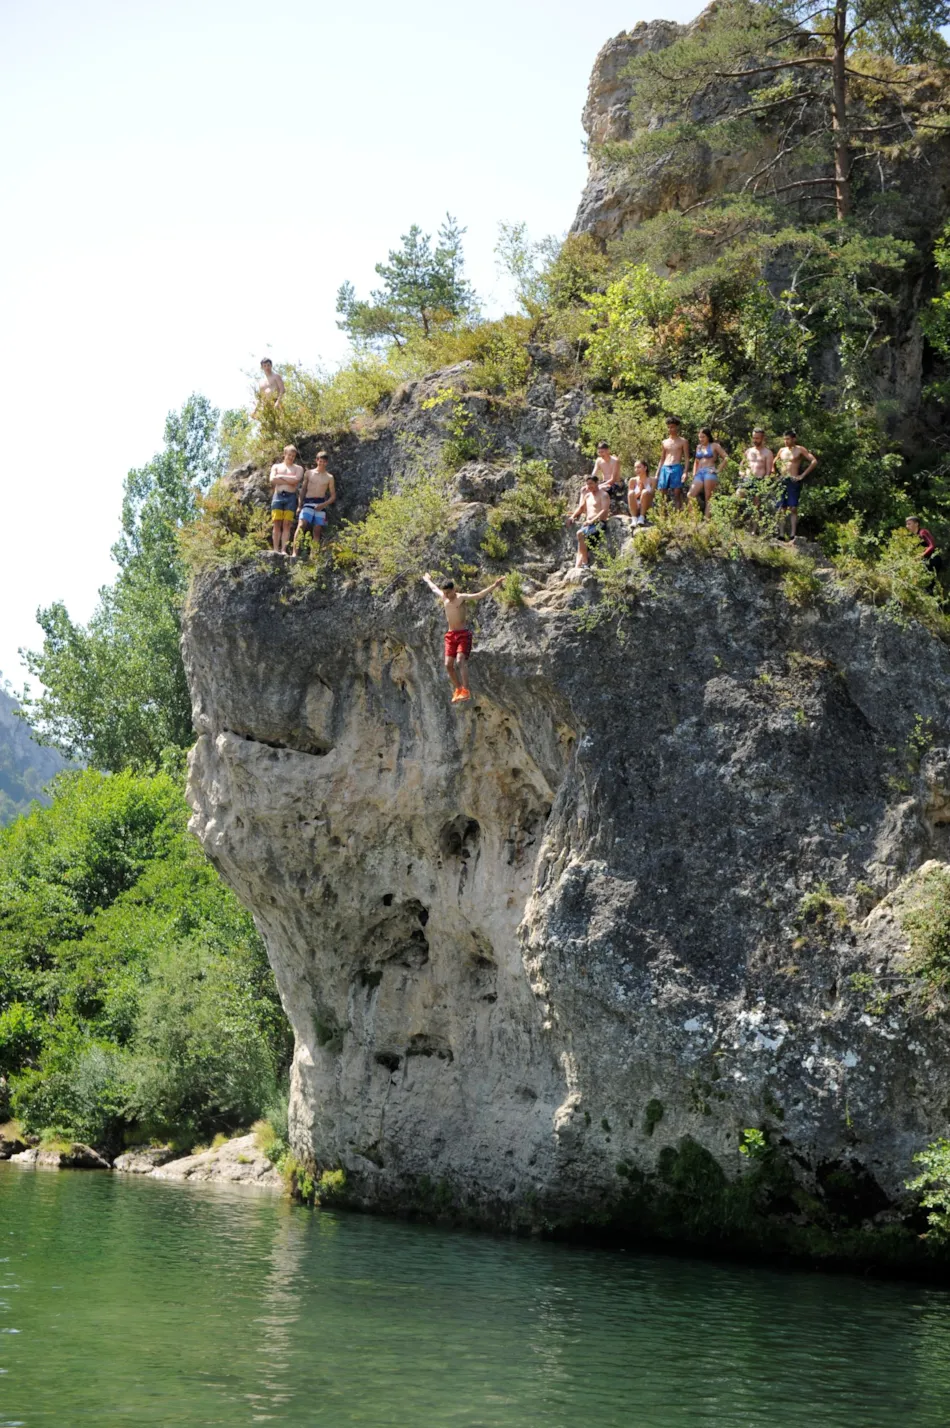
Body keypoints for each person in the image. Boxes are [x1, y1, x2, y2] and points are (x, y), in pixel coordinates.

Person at [421, 572, 504, 703]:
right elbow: (433, 588)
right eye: (445, 593)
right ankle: (458, 689)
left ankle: (465, 690)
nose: (447, 595)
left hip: (463, 635)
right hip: (450, 635)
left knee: (460, 660)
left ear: (454, 590)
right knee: (448, 665)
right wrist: (427, 580)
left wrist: (494, 585)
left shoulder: (461, 598)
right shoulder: (444, 598)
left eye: (449, 592)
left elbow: (478, 595)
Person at [774, 430, 817, 541]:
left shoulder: (800, 449)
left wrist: (802, 475)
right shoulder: (781, 450)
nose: (786, 441)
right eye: (784, 439)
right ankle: (781, 534)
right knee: (781, 507)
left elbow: (813, 461)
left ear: (794, 439)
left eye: (788, 439)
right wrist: (775, 475)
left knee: (793, 507)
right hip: (782, 480)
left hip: (793, 480)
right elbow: (773, 462)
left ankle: (793, 534)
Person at [293, 451, 337, 557]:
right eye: (320, 461)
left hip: (320, 503)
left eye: (324, 462)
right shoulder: (309, 473)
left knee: (317, 530)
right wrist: (299, 505)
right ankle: (295, 552)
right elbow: (303, 490)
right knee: (301, 525)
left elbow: (333, 496)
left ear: (326, 463)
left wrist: (323, 505)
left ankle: (314, 556)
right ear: (316, 460)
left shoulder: (329, 477)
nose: (321, 463)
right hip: (308, 502)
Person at [568, 474, 611, 566]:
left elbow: (604, 510)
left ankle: (585, 563)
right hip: (589, 525)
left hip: (599, 524)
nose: (589, 486)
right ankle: (578, 566)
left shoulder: (603, 495)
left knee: (580, 533)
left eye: (591, 483)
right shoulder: (587, 496)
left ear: (597, 483)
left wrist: (592, 521)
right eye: (587, 484)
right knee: (581, 543)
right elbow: (581, 508)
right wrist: (573, 517)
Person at [269, 445, 303, 555]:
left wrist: (281, 478)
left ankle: (283, 549)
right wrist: (289, 480)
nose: (291, 457)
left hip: (291, 497)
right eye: (289, 455)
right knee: (276, 523)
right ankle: (275, 549)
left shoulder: (298, 468)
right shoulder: (276, 466)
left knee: (287, 524)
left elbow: (296, 480)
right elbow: (272, 479)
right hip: (278, 496)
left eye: (293, 456)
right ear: (284, 454)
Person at [689, 427, 729, 518]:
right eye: (699, 437)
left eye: (703, 437)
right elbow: (696, 461)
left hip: (709, 472)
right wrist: (694, 473)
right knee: (690, 495)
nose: (701, 439)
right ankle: (693, 520)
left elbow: (726, 458)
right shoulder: (698, 447)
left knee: (709, 498)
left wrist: (718, 470)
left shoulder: (714, 445)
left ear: (708, 436)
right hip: (699, 473)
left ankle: (707, 522)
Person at [655, 417, 690, 510]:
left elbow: (687, 458)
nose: (671, 429)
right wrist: (657, 473)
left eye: (673, 427)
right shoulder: (664, 442)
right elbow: (662, 458)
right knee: (662, 493)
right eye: (669, 427)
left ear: (677, 427)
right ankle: (662, 516)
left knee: (677, 493)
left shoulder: (683, 441)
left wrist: (685, 472)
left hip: (676, 467)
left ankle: (678, 516)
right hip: (665, 467)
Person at [739, 427, 775, 512]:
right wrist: (741, 472)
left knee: (756, 506)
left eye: (757, 438)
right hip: (747, 479)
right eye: (754, 438)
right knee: (737, 497)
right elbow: (742, 464)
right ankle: (736, 520)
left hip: (759, 480)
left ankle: (755, 525)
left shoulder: (767, 453)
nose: (755, 440)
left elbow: (768, 470)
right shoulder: (748, 451)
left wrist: (764, 482)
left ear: (762, 438)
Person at [593, 441, 625, 509]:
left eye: (602, 452)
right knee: (584, 489)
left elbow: (613, 479)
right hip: (605, 482)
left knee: (600, 488)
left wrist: (598, 486)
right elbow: (593, 474)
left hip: (615, 484)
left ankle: (600, 509)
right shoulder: (599, 460)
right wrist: (590, 483)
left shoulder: (615, 461)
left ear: (608, 451)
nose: (601, 454)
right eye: (599, 452)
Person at [627, 459, 654, 526]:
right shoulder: (632, 480)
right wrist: (639, 491)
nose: (636, 469)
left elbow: (652, 496)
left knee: (645, 492)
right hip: (635, 506)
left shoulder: (652, 480)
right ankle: (634, 519)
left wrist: (643, 490)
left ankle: (642, 517)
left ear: (645, 468)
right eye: (635, 468)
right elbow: (630, 497)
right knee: (631, 493)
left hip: (647, 506)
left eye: (639, 467)